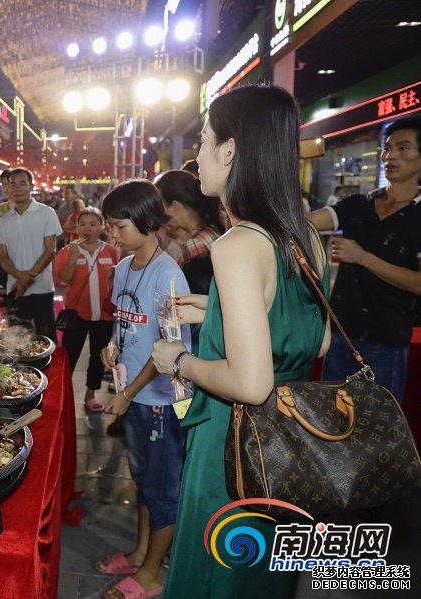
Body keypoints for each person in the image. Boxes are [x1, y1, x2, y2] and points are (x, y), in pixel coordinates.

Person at [150, 84, 331, 598]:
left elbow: (250, 383)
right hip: (289, 443)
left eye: (204, 140)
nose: (197, 155)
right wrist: (216, 311)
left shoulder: (237, 244)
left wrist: (180, 358)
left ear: (230, 150)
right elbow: (310, 342)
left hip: (233, 446)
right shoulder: (304, 236)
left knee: (217, 575)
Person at [95, 180, 190, 599]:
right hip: (133, 394)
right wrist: (112, 347)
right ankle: (139, 554)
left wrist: (128, 393)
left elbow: (169, 349)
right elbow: (124, 322)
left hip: (162, 402)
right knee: (143, 480)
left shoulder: (169, 276)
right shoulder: (123, 268)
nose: (111, 235)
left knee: (163, 489)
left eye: (118, 227)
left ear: (147, 222)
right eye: (109, 226)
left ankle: (152, 574)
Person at [308, 116, 420, 404]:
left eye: (403, 148)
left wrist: (363, 257)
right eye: (387, 148)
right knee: (330, 420)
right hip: (341, 334)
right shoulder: (359, 204)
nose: (390, 155)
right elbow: (307, 222)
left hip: (386, 343)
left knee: (376, 430)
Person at [54, 207, 120, 412]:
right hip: (76, 314)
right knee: (69, 356)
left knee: (98, 356)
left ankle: (90, 395)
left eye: (93, 224)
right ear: (77, 227)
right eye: (83, 224)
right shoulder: (67, 251)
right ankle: (63, 395)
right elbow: (63, 280)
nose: (87, 229)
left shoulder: (112, 251)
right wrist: (73, 257)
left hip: (105, 314)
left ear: (101, 226)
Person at [0, 167, 63, 341]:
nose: (17, 188)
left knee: (46, 339)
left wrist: (25, 280)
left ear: (31, 186)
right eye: (13, 184)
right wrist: (21, 278)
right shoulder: (4, 220)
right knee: (17, 341)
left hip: (42, 288)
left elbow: (50, 252)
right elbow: (1, 257)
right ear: (8, 188)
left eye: (22, 183)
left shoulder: (46, 213)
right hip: (15, 290)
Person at [155, 169, 225, 267]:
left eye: (160, 207)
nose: (158, 215)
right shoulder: (213, 228)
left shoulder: (195, 245)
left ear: (175, 207)